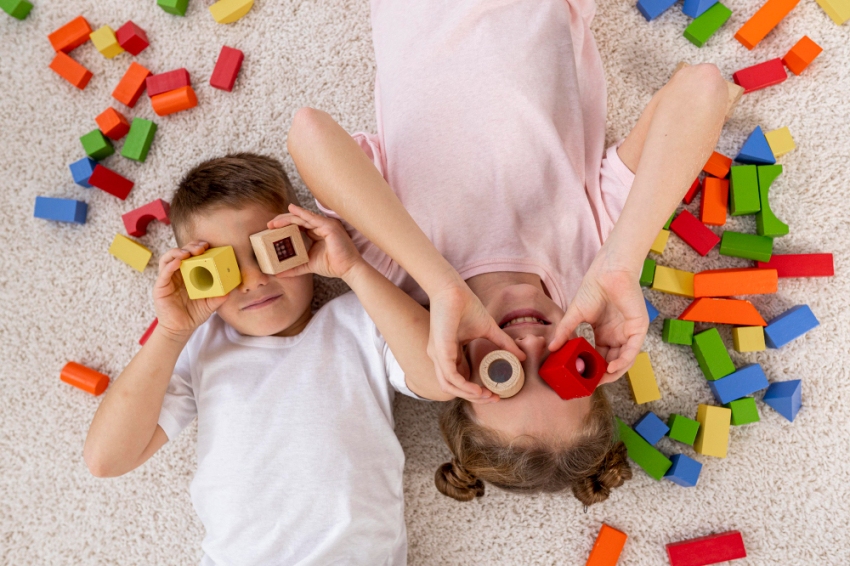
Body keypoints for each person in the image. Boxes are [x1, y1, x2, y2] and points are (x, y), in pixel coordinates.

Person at [283, 0, 730, 506]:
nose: (533, 344)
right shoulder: (594, 256)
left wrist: (442, 283)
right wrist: (622, 264)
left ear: (457, 370)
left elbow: (309, 131)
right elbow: (703, 87)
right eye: (564, 366)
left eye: (505, 372)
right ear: (589, 357)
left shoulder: (400, 262)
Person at [83, 153, 450, 565]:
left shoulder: (360, 320)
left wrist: (352, 268)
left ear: (304, 240)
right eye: (223, 268)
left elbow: (440, 378)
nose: (254, 281)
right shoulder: (202, 346)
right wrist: (171, 332)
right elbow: (106, 459)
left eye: (270, 252)